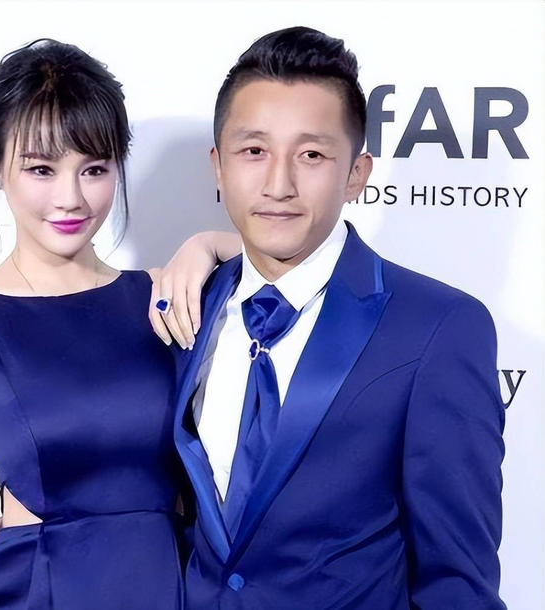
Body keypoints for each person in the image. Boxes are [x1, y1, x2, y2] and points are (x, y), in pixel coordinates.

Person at [152, 26, 506, 609]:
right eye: (254, 151)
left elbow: (458, 581)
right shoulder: (185, 307)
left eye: (311, 155)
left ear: (356, 174)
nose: (278, 185)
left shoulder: (438, 328)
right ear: (218, 167)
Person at [0, 38, 239, 610]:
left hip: (168, 588)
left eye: (94, 169)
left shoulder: (165, 297)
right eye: (41, 169)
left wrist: (208, 244)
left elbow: (300, 272)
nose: (71, 198)